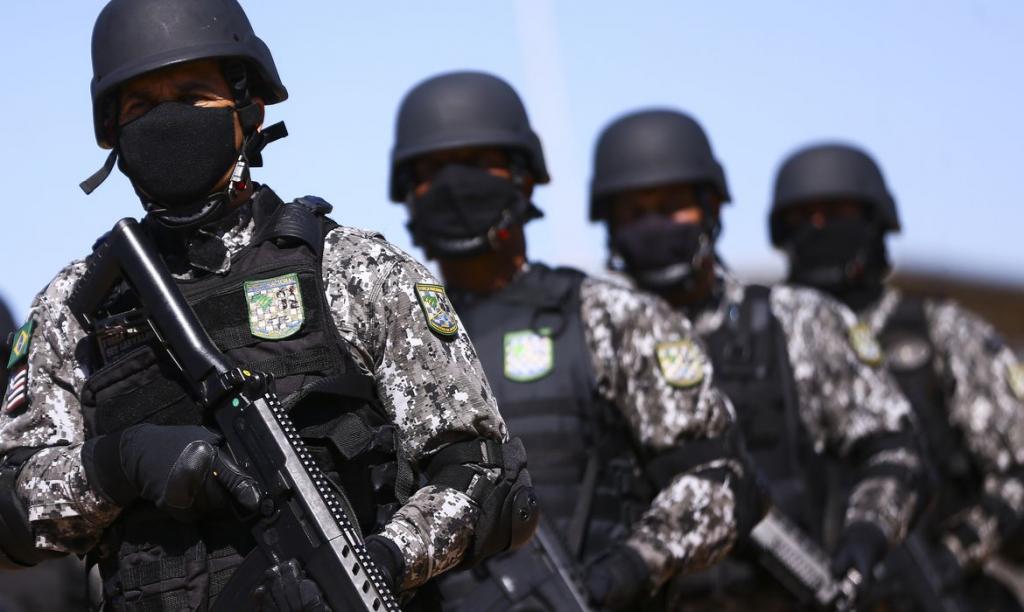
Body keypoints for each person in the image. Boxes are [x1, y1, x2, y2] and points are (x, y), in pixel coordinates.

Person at [0, 2, 535, 610]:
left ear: (247, 107)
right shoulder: (76, 310)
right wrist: (118, 465)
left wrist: (381, 564)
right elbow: (12, 514)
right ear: (112, 131)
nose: (168, 120)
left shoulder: (353, 269)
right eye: (141, 106)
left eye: (193, 96)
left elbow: (483, 475)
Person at [389, 71, 761, 611]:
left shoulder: (609, 318)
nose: (454, 185)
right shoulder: (391, 337)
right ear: (407, 192)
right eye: (432, 171)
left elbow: (721, 480)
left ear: (524, 178)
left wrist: (627, 570)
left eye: (479, 163)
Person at [588, 109, 925, 610]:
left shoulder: (799, 322)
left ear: (711, 207)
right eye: (635, 213)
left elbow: (895, 452)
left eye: (673, 206)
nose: (655, 224)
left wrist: (864, 540)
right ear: (610, 226)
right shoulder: (589, 339)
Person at [771, 141, 1024, 610]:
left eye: (837, 213)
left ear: (876, 222)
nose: (820, 229)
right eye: (803, 218)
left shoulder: (942, 333)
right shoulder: (762, 345)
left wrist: (951, 560)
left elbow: (1018, 470)